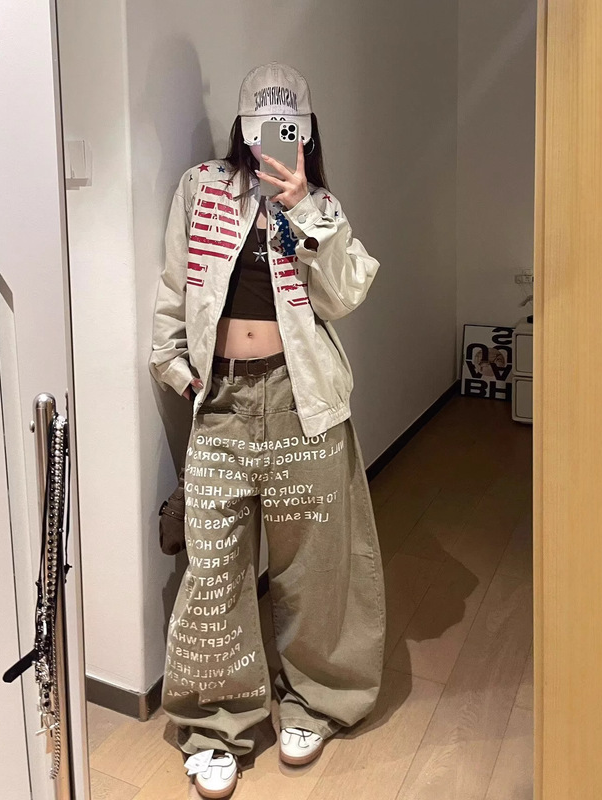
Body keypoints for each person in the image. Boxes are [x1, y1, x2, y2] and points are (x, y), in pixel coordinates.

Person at [149, 61, 387, 798]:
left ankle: (316, 701)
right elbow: (175, 286)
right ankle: (214, 723)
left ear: (306, 132)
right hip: (221, 399)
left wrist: (306, 209)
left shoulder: (318, 205)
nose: (272, 139)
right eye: (260, 124)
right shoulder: (201, 187)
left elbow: (344, 295)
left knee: (312, 565)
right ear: (241, 125)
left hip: (298, 397)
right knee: (213, 567)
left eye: (289, 126)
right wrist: (174, 365)